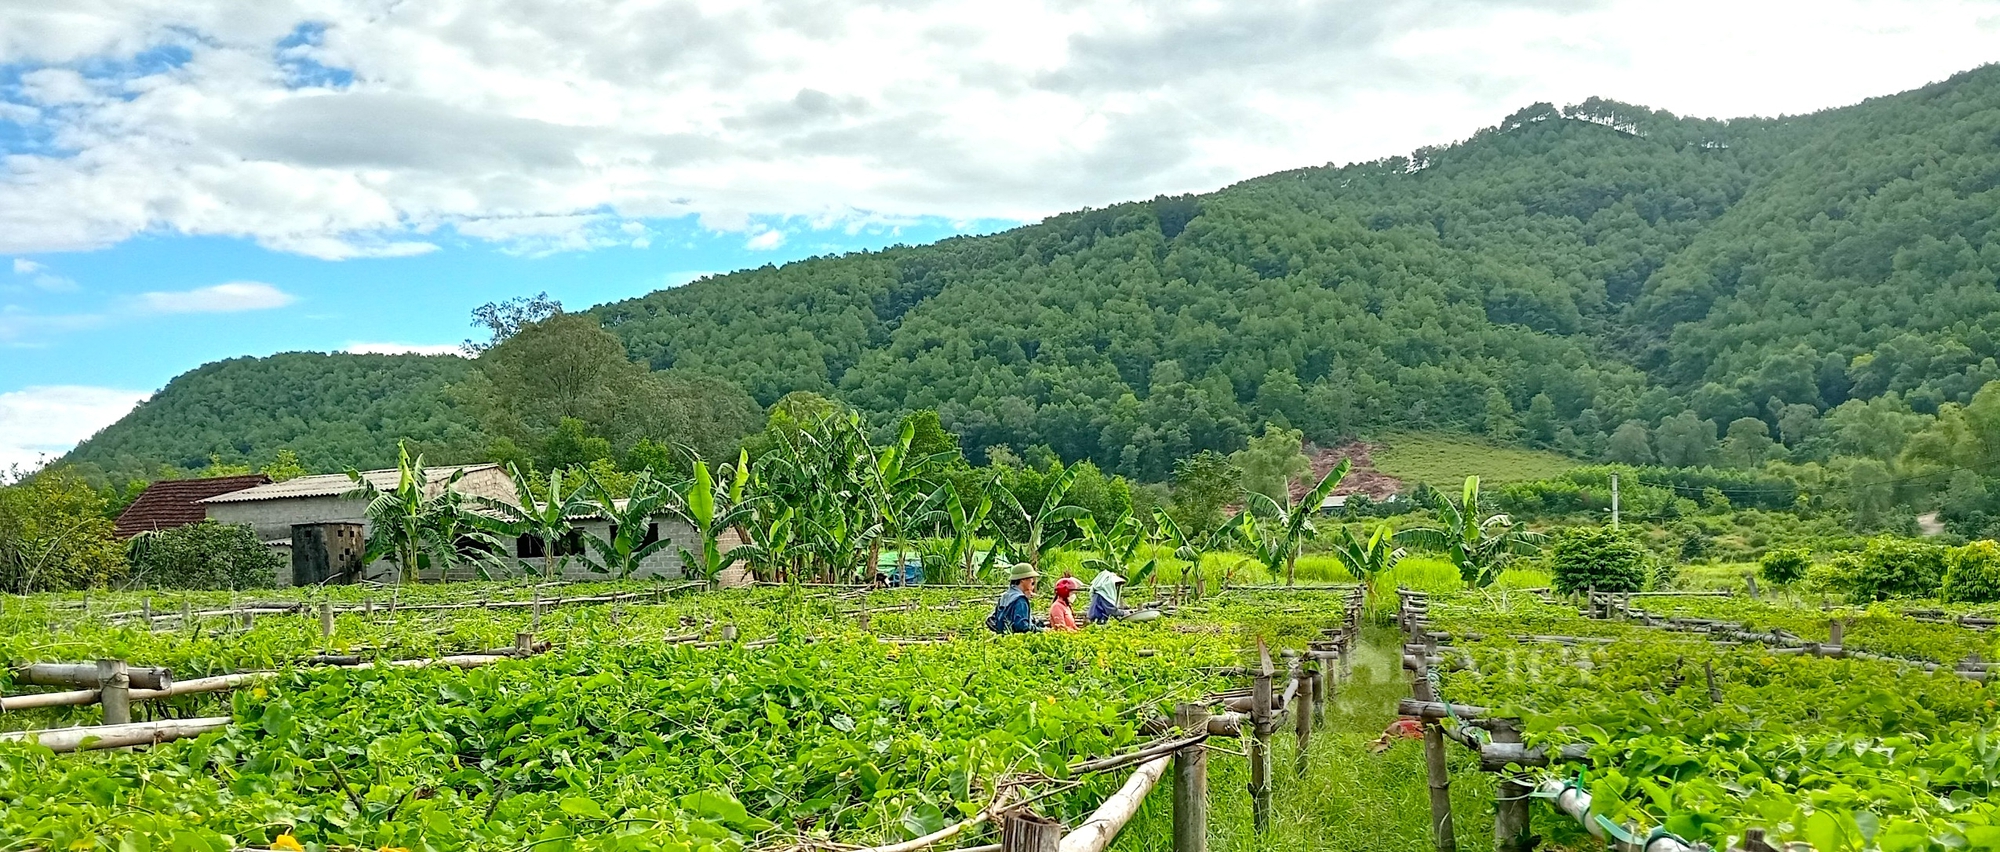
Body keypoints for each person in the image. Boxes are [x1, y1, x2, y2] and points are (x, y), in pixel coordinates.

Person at [986, 562, 1044, 634]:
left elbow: (993, 619)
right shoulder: (1020, 600)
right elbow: (1022, 626)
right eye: (1031, 579)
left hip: (1003, 638)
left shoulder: (1004, 596)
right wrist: (1041, 630)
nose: (1032, 581)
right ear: (1022, 580)